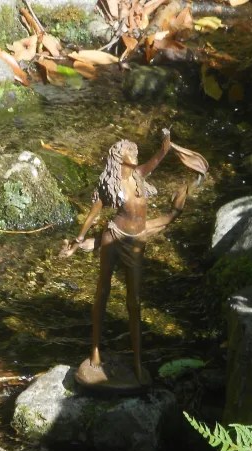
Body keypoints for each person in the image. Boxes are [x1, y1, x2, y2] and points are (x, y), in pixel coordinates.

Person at [62, 130, 187, 386]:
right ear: (119, 156)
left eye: (135, 150)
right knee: (102, 293)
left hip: (136, 242)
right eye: (130, 150)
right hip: (113, 237)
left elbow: (156, 159)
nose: (135, 152)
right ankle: (95, 350)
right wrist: (77, 241)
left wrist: (166, 145)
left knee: (135, 301)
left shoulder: (139, 177)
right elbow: (93, 215)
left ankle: (138, 361)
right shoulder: (110, 186)